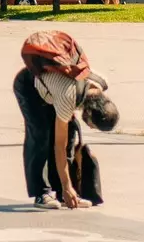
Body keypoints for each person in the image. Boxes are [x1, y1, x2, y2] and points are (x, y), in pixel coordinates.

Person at [14, 30, 118, 209]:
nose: (91, 128)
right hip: (30, 86)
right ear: (90, 112)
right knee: (41, 135)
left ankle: (64, 194)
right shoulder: (68, 96)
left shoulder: (100, 83)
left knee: (71, 136)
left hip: (53, 90)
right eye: (93, 125)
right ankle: (42, 193)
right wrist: (67, 185)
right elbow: (58, 147)